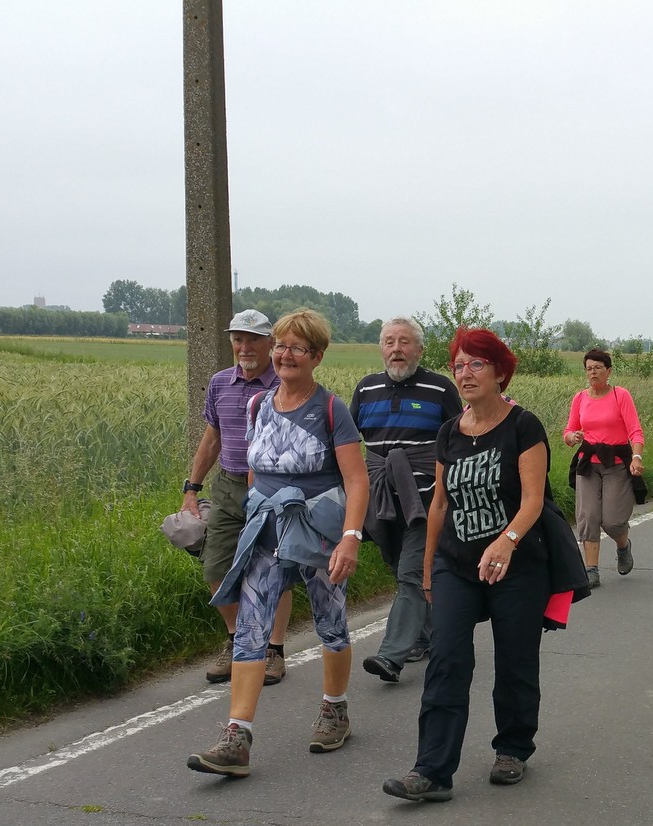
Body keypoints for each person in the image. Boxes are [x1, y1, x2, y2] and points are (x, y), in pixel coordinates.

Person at [188, 309, 368, 777]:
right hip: (266, 532)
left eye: (298, 348)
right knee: (251, 629)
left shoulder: (331, 409)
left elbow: (356, 479)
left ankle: (335, 709)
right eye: (282, 346)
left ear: (317, 356)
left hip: (319, 533)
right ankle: (237, 737)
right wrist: (253, 513)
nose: (287, 355)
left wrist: (350, 538)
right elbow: (255, 470)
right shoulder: (257, 405)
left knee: (331, 623)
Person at [383, 329, 560, 802]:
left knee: (515, 658)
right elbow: (440, 504)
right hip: (457, 563)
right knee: (446, 658)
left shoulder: (524, 426)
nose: (465, 373)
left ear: (500, 373)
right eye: (459, 365)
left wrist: (506, 541)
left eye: (476, 364)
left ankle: (513, 748)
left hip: (517, 565)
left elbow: (533, 499)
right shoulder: (449, 433)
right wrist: (427, 568)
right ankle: (432, 771)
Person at [178, 309, 294, 687]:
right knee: (215, 567)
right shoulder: (219, 383)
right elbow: (212, 439)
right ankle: (237, 639)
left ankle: (274, 650)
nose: (244, 347)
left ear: (269, 344)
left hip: (273, 487)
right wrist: (191, 489)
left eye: (253, 340)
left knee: (275, 570)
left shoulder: (284, 384)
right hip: (228, 486)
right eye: (238, 339)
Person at [353, 317, 462, 683]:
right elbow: (349, 444)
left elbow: (458, 439)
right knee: (400, 567)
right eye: (389, 342)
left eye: (404, 342)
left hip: (427, 499)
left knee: (411, 573)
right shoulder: (366, 388)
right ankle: (426, 636)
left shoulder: (440, 388)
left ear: (419, 349)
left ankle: (391, 655)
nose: (396, 349)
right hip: (380, 498)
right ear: (381, 348)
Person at [563, 348, 644, 588]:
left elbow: (635, 431)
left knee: (613, 521)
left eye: (598, 368)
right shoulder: (580, 398)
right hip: (588, 464)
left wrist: (636, 457)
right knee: (588, 516)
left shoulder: (621, 395)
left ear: (608, 371)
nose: (593, 372)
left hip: (616, 464)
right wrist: (572, 437)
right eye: (589, 368)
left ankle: (623, 546)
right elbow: (568, 432)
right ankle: (591, 570)